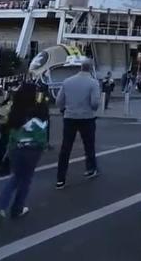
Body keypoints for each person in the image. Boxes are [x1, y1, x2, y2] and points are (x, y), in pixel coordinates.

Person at [0, 82, 49, 219]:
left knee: (16, 177)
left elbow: (10, 132)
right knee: (26, 179)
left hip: (15, 148)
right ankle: (17, 208)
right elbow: (41, 131)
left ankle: (1, 205)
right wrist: (43, 146)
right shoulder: (38, 109)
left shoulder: (16, 109)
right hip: (32, 149)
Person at [55, 60, 101, 189]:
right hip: (87, 117)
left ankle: (60, 178)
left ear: (80, 68)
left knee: (66, 148)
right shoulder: (93, 83)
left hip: (70, 117)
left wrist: (66, 108)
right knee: (89, 145)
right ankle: (91, 169)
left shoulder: (68, 81)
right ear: (91, 69)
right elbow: (95, 103)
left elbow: (59, 101)